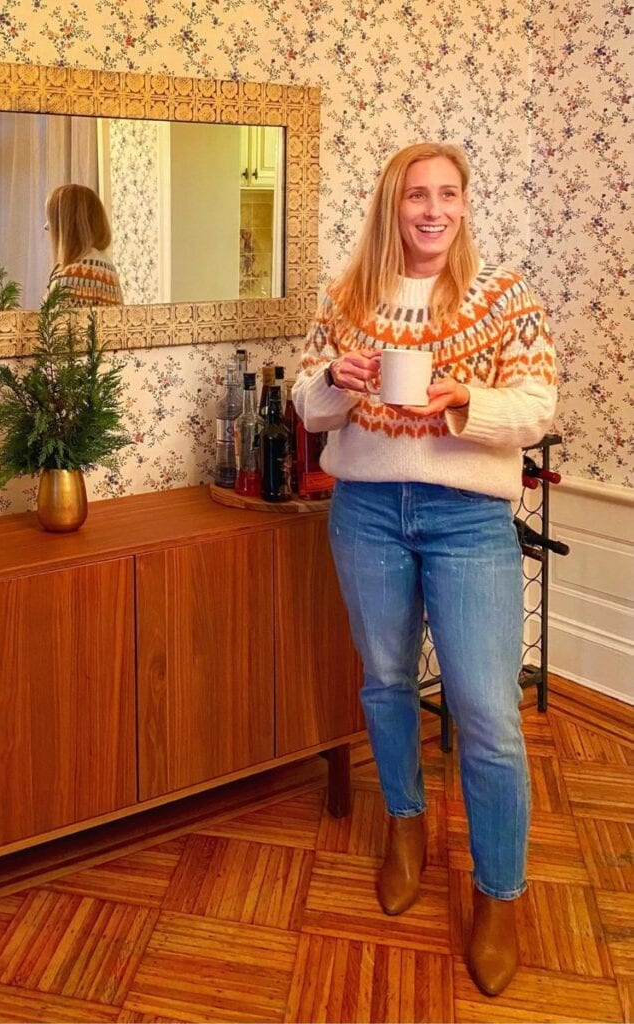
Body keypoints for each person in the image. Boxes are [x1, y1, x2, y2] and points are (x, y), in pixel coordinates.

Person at [292, 142, 556, 997]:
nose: (432, 210)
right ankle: (404, 826)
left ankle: (497, 895)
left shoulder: (502, 296)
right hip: (366, 510)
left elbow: (536, 405)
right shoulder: (348, 296)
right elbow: (308, 405)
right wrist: (336, 375)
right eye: (416, 196)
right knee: (385, 681)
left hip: (468, 517)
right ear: (390, 205)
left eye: (447, 194)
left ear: (464, 203)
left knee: (486, 711)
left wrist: (463, 402)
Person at [45, 184, 123, 307]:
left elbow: (55, 326)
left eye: (52, 221)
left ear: (66, 226)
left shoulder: (70, 276)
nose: (46, 226)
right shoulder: (109, 271)